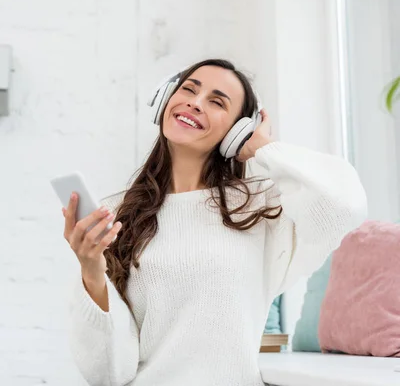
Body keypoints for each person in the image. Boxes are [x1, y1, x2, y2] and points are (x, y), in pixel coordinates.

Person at [62, 58, 368, 386]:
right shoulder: (118, 212)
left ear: (238, 131)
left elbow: (344, 207)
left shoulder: (262, 209)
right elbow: (108, 373)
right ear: (165, 99)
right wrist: (91, 270)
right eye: (189, 90)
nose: (194, 102)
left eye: (216, 101)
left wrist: (262, 148)